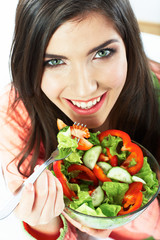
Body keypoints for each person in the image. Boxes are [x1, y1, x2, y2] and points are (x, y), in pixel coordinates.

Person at [0, 0, 160, 239]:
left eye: (102, 53)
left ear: (129, 46)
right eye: (54, 61)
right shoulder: (15, 115)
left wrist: (128, 215)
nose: (85, 90)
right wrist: (43, 223)